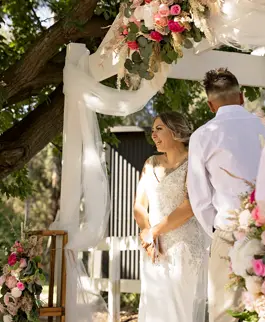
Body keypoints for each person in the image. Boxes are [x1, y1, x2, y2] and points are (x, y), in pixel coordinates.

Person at [187, 68, 265, 322]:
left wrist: (219, 230)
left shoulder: (202, 136)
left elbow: (199, 198)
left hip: (228, 231)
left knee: (225, 314)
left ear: (210, 105)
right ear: (241, 97)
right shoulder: (262, 126)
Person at [134, 112, 207, 322]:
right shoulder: (150, 163)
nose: (153, 135)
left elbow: (189, 206)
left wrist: (153, 232)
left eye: (159, 129)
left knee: (178, 310)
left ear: (175, 132)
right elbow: (139, 205)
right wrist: (147, 232)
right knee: (155, 307)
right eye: (152, 130)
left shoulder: (194, 161)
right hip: (153, 248)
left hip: (183, 247)